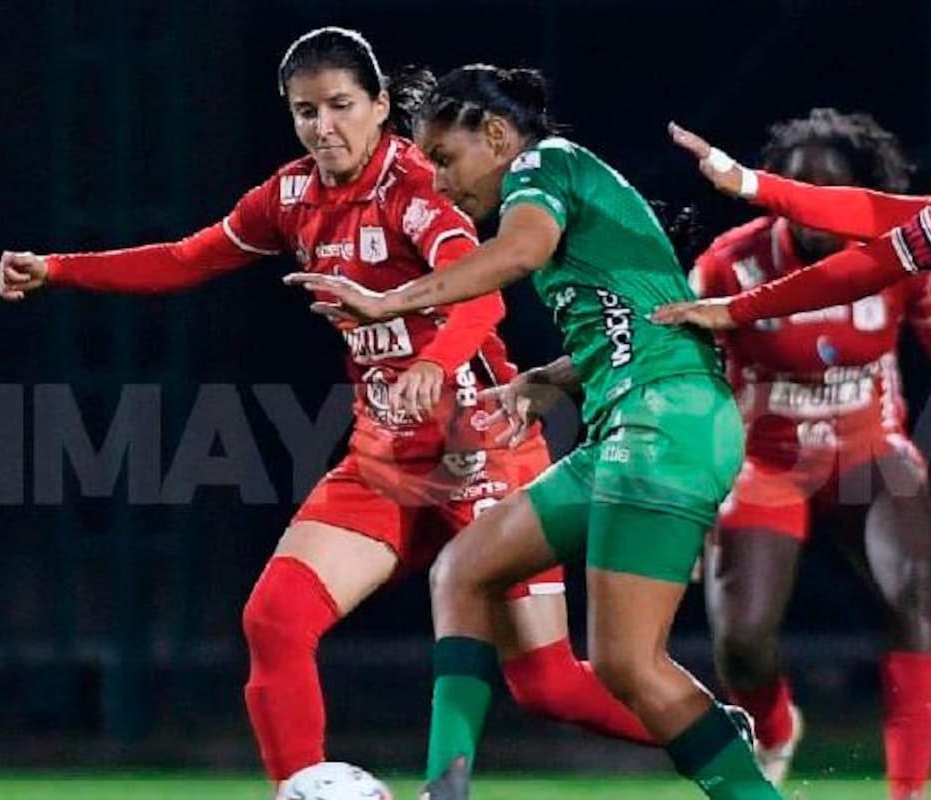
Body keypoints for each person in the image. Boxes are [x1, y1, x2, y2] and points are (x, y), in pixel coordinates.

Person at [0, 27, 654, 791]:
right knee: (275, 619)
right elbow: (187, 257)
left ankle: (704, 732)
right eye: (305, 111)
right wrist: (58, 268)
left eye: (341, 106)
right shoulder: (292, 195)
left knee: (547, 686)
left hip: (482, 450)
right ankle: (304, 788)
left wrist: (434, 364)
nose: (323, 127)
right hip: (386, 459)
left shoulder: (415, 186)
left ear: (380, 107)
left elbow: (482, 294)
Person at [286, 64, 780, 800]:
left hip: (664, 426)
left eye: (447, 160)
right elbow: (638, 324)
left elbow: (515, 256)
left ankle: (744, 780)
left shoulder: (544, 166)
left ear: (495, 135)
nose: (443, 185)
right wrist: (548, 376)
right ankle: (446, 789)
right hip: (633, 424)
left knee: (626, 666)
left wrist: (392, 303)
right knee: (466, 568)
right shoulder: (579, 203)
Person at [658, 46, 931, 800]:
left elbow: (874, 258)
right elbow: (890, 219)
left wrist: (741, 309)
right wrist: (752, 186)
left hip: (863, 452)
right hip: (770, 463)